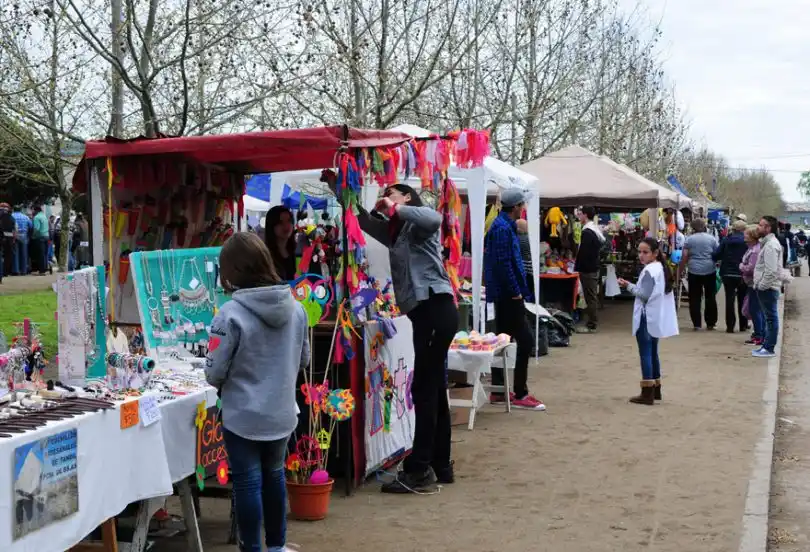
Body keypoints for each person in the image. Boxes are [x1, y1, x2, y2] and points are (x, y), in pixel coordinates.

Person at [323, 172, 459, 493]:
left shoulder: (418, 224)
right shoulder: (395, 233)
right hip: (426, 314)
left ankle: (419, 470)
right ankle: (441, 464)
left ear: (407, 197)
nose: (385, 196)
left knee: (423, 390)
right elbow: (361, 219)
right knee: (433, 388)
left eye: (392, 192)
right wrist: (338, 188)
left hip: (435, 308)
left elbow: (434, 217)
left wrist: (395, 207)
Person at [205, 232, 309, 552]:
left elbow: (214, 371)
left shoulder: (229, 314)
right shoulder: (297, 309)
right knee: (274, 476)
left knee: (248, 482)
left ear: (233, 270)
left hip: (243, 416)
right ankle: (277, 546)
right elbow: (303, 360)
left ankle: (251, 548)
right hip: (282, 413)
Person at [484, 188, 545, 411]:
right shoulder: (502, 228)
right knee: (525, 340)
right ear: (517, 207)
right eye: (522, 205)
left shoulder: (503, 226)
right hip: (508, 294)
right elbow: (503, 263)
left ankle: (499, 390)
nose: (524, 208)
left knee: (503, 339)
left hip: (505, 293)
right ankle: (520, 392)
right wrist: (515, 291)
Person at [618, 238, 678, 405]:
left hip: (646, 315)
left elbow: (644, 295)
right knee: (653, 352)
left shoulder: (649, 270)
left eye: (645, 252)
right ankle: (656, 388)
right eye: (639, 252)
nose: (641, 255)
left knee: (645, 352)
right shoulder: (660, 268)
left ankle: (647, 392)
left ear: (655, 253)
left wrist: (628, 286)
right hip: (655, 315)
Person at [752, 216, 785, 358]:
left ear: (768, 228)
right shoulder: (768, 243)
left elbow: (771, 271)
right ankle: (766, 346)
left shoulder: (771, 245)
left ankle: (769, 348)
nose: (758, 227)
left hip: (768, 288)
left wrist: (762, 285)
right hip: (768, 287)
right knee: (769, 318)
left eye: (761, 225)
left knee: (770, 318)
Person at [680, 218, 719, 330]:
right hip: (709, 270)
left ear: (693, 228)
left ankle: (697, 324)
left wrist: (681, 269)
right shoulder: (712, 239)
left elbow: (685, 256)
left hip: (694, 271)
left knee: (694, 298)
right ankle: (711, 323)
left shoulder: (689, 240)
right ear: (704, 226)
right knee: (710, 297)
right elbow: (717, 253)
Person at [714, 220, 749, 333]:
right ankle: (743, 325)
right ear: (744, 230)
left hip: (727, 273)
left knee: (729, 299)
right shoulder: (747, 242)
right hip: (742, 273)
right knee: (742, 299)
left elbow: (717, 254)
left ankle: (730, 326)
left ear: (733, 229)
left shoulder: (726, 240)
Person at [574, 206, 605, 333]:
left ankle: (592, 324)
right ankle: (592, 322)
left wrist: (579, 267)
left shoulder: (587, 232)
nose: (579, 216)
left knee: (590, 297)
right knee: (591, 296)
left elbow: (585, 253)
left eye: (580, 214)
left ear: (585, 215)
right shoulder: (594, 229)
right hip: (592, 267)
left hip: (588, 269)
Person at [739, 225, 764, 346]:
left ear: (752, 236)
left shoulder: (755, 251)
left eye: (746, 234)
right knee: (754, 308)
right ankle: (759, 333)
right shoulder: (752, 248)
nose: (744, 236)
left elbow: (751, 268)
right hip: (751, 282)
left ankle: (759, 335)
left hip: (754, 283)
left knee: (755, 309)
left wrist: (741, 267)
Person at [264, 206, 297, 281]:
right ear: (271, 226)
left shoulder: (295, 250)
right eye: (280, 222)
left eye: (289, 221)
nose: (286, 226)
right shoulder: (265, 254)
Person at [515, 219, 534, 297]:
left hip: (520, 270)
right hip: (530, 270)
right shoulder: (529, 238)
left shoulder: (516, 239)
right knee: (529, 291)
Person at [11, 207, 31, 275]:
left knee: (15, 253)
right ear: (21, 210)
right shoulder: (26, 217)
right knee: (24, 254)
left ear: (13, 210)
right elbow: (31, 226)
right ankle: (24, 270)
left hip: (14, 236)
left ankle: (16, 270)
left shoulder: (12, 216)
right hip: (24, 236)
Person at [31, 206, 50, 275]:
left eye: (33, 210)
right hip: (47, 236)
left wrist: (33, 236)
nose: (32, 212)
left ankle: (42, 271)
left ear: (36, 210)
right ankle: (45, 268)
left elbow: (36, 229)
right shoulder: (44, 216)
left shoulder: (36, 217)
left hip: (40, 237)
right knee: (45, 254)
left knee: (40, 254)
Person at [0, 203, 15, 281]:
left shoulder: (1, 217)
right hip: (9, 237)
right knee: (8, 256)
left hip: (2, 237)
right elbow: (14, 229)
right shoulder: (11, 217)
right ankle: (6, 272)